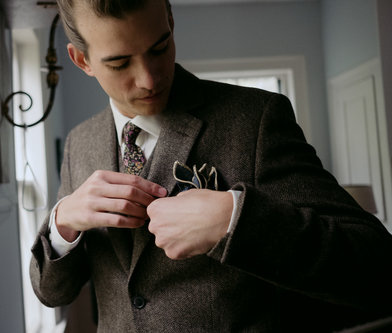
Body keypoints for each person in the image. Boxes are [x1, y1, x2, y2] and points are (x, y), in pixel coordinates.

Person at [29, 0, 392, 331]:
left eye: (159, 48)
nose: (149, 79)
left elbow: (376, 269)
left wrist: (233, 221)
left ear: (170, 19)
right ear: (82, 60)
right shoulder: (80, 143)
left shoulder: (255, 120)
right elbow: (51, 292)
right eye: (120, 63)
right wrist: (63, 223)